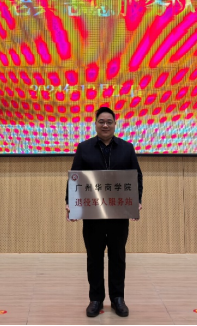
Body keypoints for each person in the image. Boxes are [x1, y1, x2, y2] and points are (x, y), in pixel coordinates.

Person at [65, 107, 143, 318]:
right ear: (95, 124)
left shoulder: (127, 148)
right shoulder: (84, 148)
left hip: (118, 212)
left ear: (115, 124)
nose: (105, 125)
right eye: (101, 121)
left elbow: (136, 177)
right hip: (92, 214)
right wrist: (70, 203)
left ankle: (118, 298)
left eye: (109, 122)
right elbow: (75, 177)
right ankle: (96, 299)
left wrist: (137, 201)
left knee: (118, 256)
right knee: (94, 257)